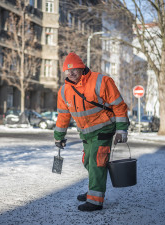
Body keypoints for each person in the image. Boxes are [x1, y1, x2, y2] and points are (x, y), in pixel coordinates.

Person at [54, 52, 130, 212]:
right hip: (86, 134)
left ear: (82, 68)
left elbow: (119, 105)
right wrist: (59, 137)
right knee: (87, 161)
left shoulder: (101, 81)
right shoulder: (63, 91)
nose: (71, 73)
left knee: (96, 162)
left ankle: (95, 200)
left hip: (104, 129)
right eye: (67, 70)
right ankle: (93, 188)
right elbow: (63, 116)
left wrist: (122, 129)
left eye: (74, 69)